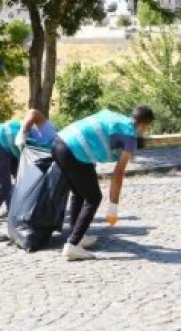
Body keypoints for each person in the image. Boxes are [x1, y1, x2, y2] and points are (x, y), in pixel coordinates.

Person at [53, 106, 155, 261]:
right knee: (94, 198)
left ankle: (77, 236)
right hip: (74, 150)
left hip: (58, 142)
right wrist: (113, 207)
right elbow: (119, 172)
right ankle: (72, 245)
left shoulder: (114, 116)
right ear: (144, 125)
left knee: (79, 193)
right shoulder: (129, 136)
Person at [0, 109, 58, 242]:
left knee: (22, 184)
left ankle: (14, 222)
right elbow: (34, 112)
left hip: (11, 150)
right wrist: (22, 132)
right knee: (3, 186)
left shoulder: (53, 153)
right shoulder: (52, 134)